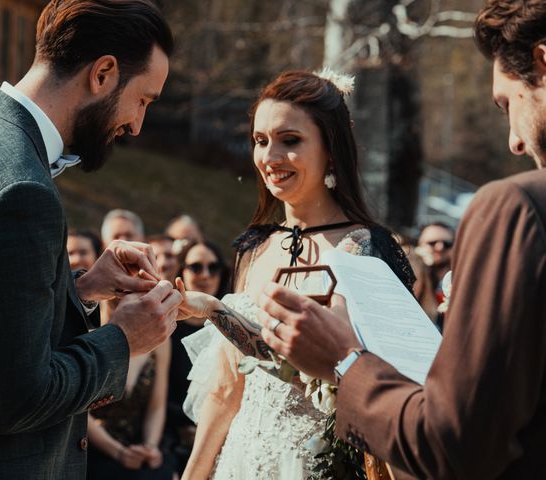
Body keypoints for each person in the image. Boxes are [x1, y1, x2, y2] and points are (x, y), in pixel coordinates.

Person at [255, 1, 546, 478]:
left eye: (507, 103)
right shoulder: (255, 246)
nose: (514, 140)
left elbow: (456, 443)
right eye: (259, 139)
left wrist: (344, 364)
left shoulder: (519, 208)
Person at [0, 1, 182, 478]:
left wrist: (81, 288)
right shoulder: (20, 190)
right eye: (143, 100)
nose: (137, 126)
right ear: (104, 74)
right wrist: (122, 339)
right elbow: (17, 401)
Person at [176, 70, 414, 479]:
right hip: (241, 461)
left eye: (290, 141)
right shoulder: (254, 248)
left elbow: (337, 376)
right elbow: (226, 390)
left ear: (331, 151)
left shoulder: (367, 250)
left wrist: (215, 310)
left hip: (315, 465)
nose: (269, 158)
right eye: (260, 141)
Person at [164, 241, 230, 476]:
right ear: (181, 271)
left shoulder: (232, 328)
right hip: (171, 440)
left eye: (213, 268)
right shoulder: (164, 330)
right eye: (195, 267)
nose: (205, 275)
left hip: (223, 438)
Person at [87, 303, 174, 480]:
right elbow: (79, 415)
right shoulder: (86, 337)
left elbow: (156, 407)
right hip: (94, 449)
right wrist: (119, 453)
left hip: (137, 443)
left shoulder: (159, 339)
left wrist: (150, 446)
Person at [416, 221, 454, 302]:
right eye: (432, 243)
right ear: (419, 245)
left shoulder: (458, 280)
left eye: (447, 244)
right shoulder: (408, 276)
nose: (440, 247)